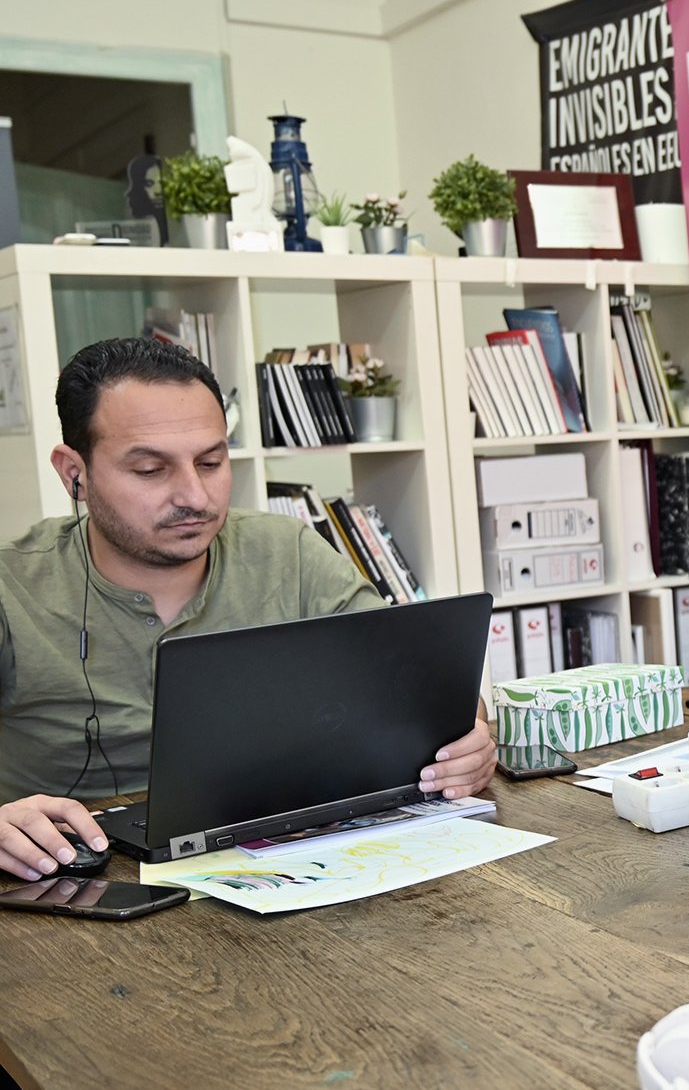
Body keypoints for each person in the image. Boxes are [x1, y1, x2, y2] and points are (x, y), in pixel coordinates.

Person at [0, 338, 495, 881]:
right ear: (75, 472)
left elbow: (429, 698)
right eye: (150, 470)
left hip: (284, 859)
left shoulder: (289, 552)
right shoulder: (12, 586)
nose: (195, 495)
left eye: (211, 462)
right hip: (78, 885)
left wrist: (466, 746)